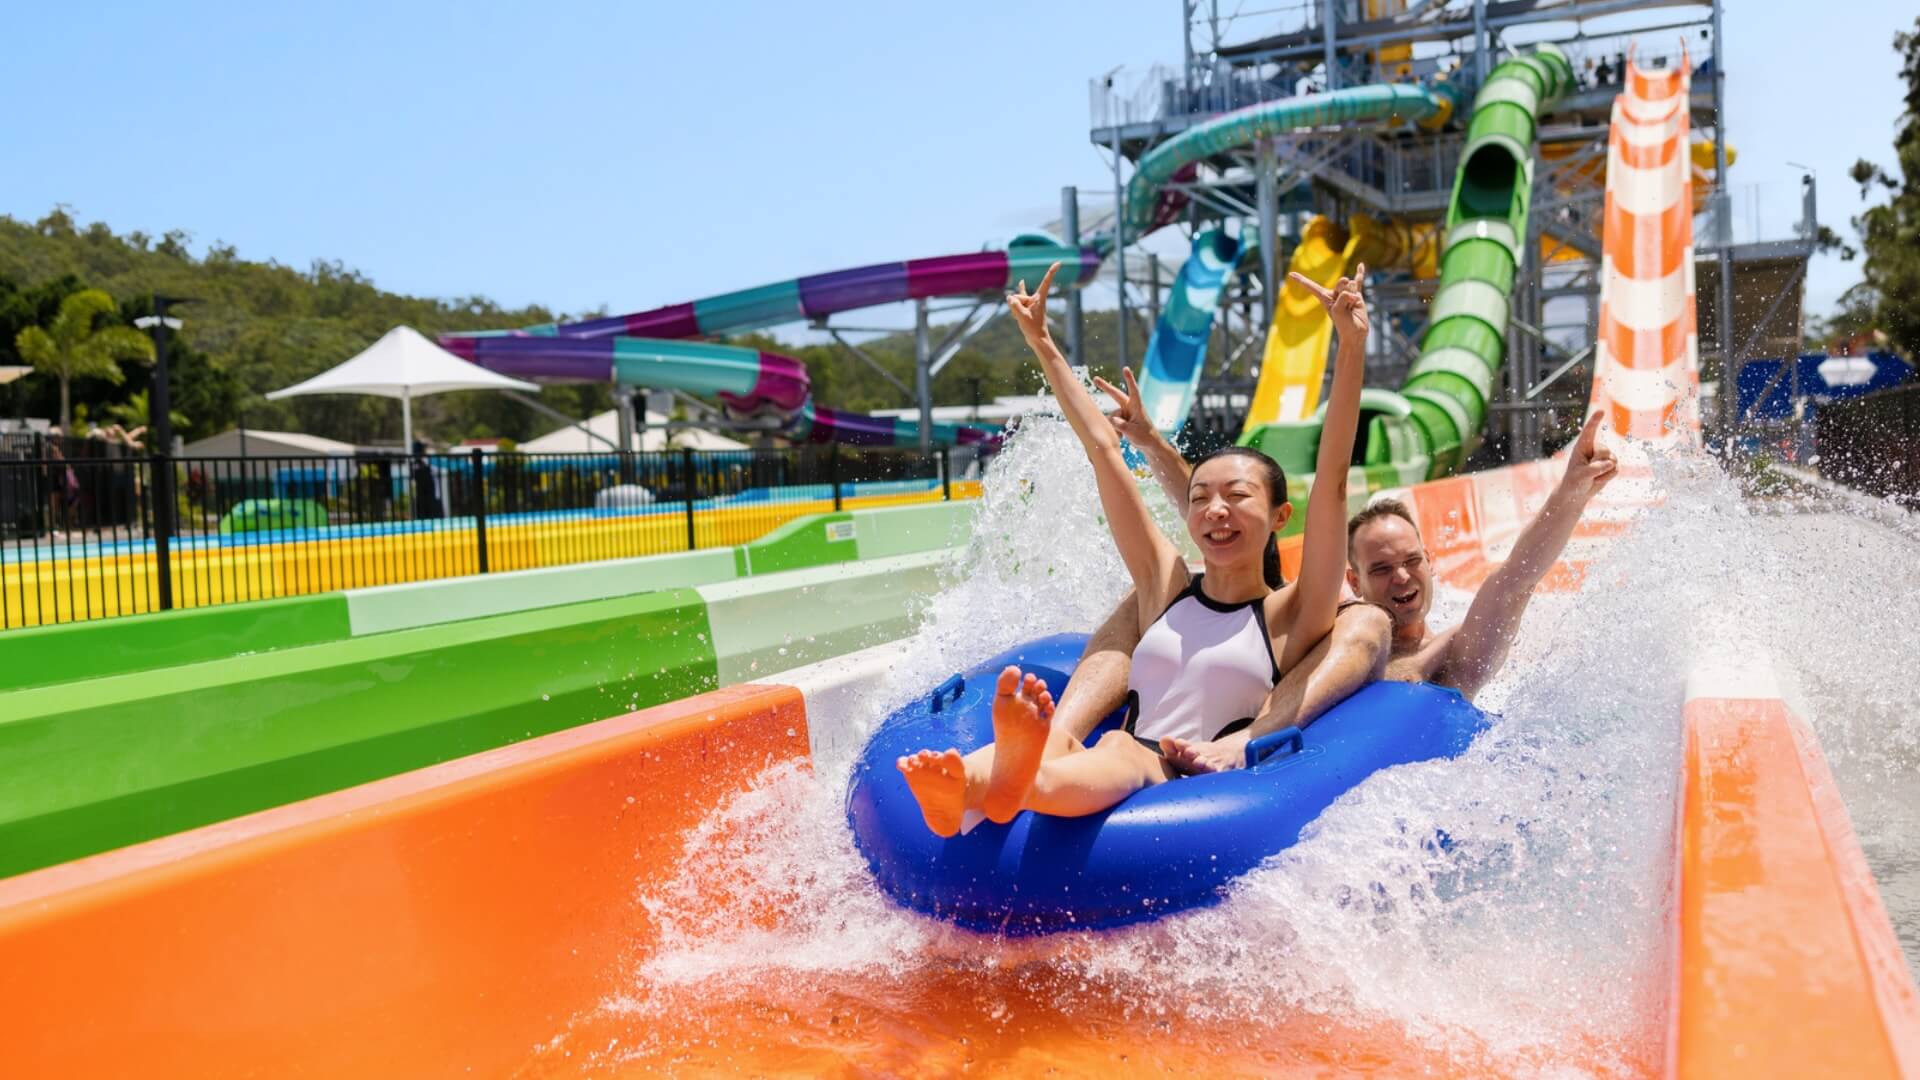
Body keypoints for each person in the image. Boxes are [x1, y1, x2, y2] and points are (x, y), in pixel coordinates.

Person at [897, 261, 1390, 837]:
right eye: (1201, 497)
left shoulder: (1292, 614)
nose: (1215, 510)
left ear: (1281, 516)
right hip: (1118, 758)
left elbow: (1332, 480)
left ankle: (1007, 783)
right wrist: (1043, 343)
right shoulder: (1166, 587)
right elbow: (1105, 453)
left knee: (1121, 752)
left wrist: (1351, 345)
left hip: (1180, 777)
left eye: (1237, 496)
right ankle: (979, 783)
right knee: (1066, 738)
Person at [1346, 409, 1618, 701]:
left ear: (1429, 562)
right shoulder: (1336, 647)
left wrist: (1571, 491)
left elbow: (1515, 581)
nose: (1401, 576)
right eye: (1381, 569)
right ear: (1355, 582)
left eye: (1412, 561)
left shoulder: (1452, 659)